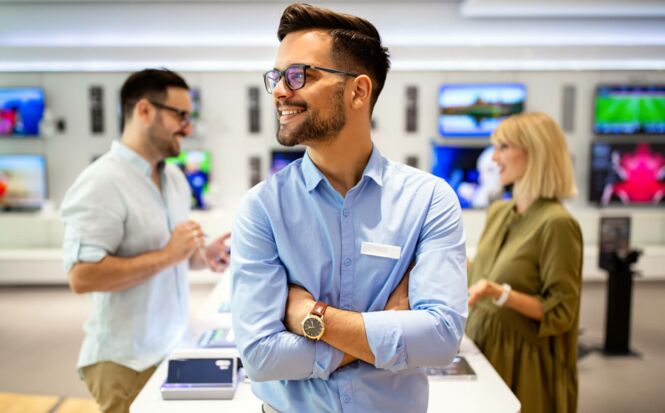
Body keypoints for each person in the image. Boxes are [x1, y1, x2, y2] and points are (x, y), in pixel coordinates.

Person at [230, 4, 467, 413]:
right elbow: (261, 357)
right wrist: (381, 333)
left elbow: (441, 338)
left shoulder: (428, 200)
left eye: (299, 75)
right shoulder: (263, 207)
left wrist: (312, 315)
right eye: (277, 77)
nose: (280, 91)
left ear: (358, 90)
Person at [60, 68, 230, 413]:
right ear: (144, 111)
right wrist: (169, 255)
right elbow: (82, 277)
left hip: (172, 349)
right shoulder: (101, 181)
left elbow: (176, 254)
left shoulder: (176, 179)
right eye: (180, 115)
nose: (188, 127)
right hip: (125, 364)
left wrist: (202, 254)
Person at [465, 112, 583, 413]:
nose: (494, 157)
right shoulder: (500, 212)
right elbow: (481, 276)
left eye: (503, 147)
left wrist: (500, 293)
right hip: (483, 347)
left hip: (526, 364)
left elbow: (560, 312)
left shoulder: (557, 224)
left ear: (536, 152)